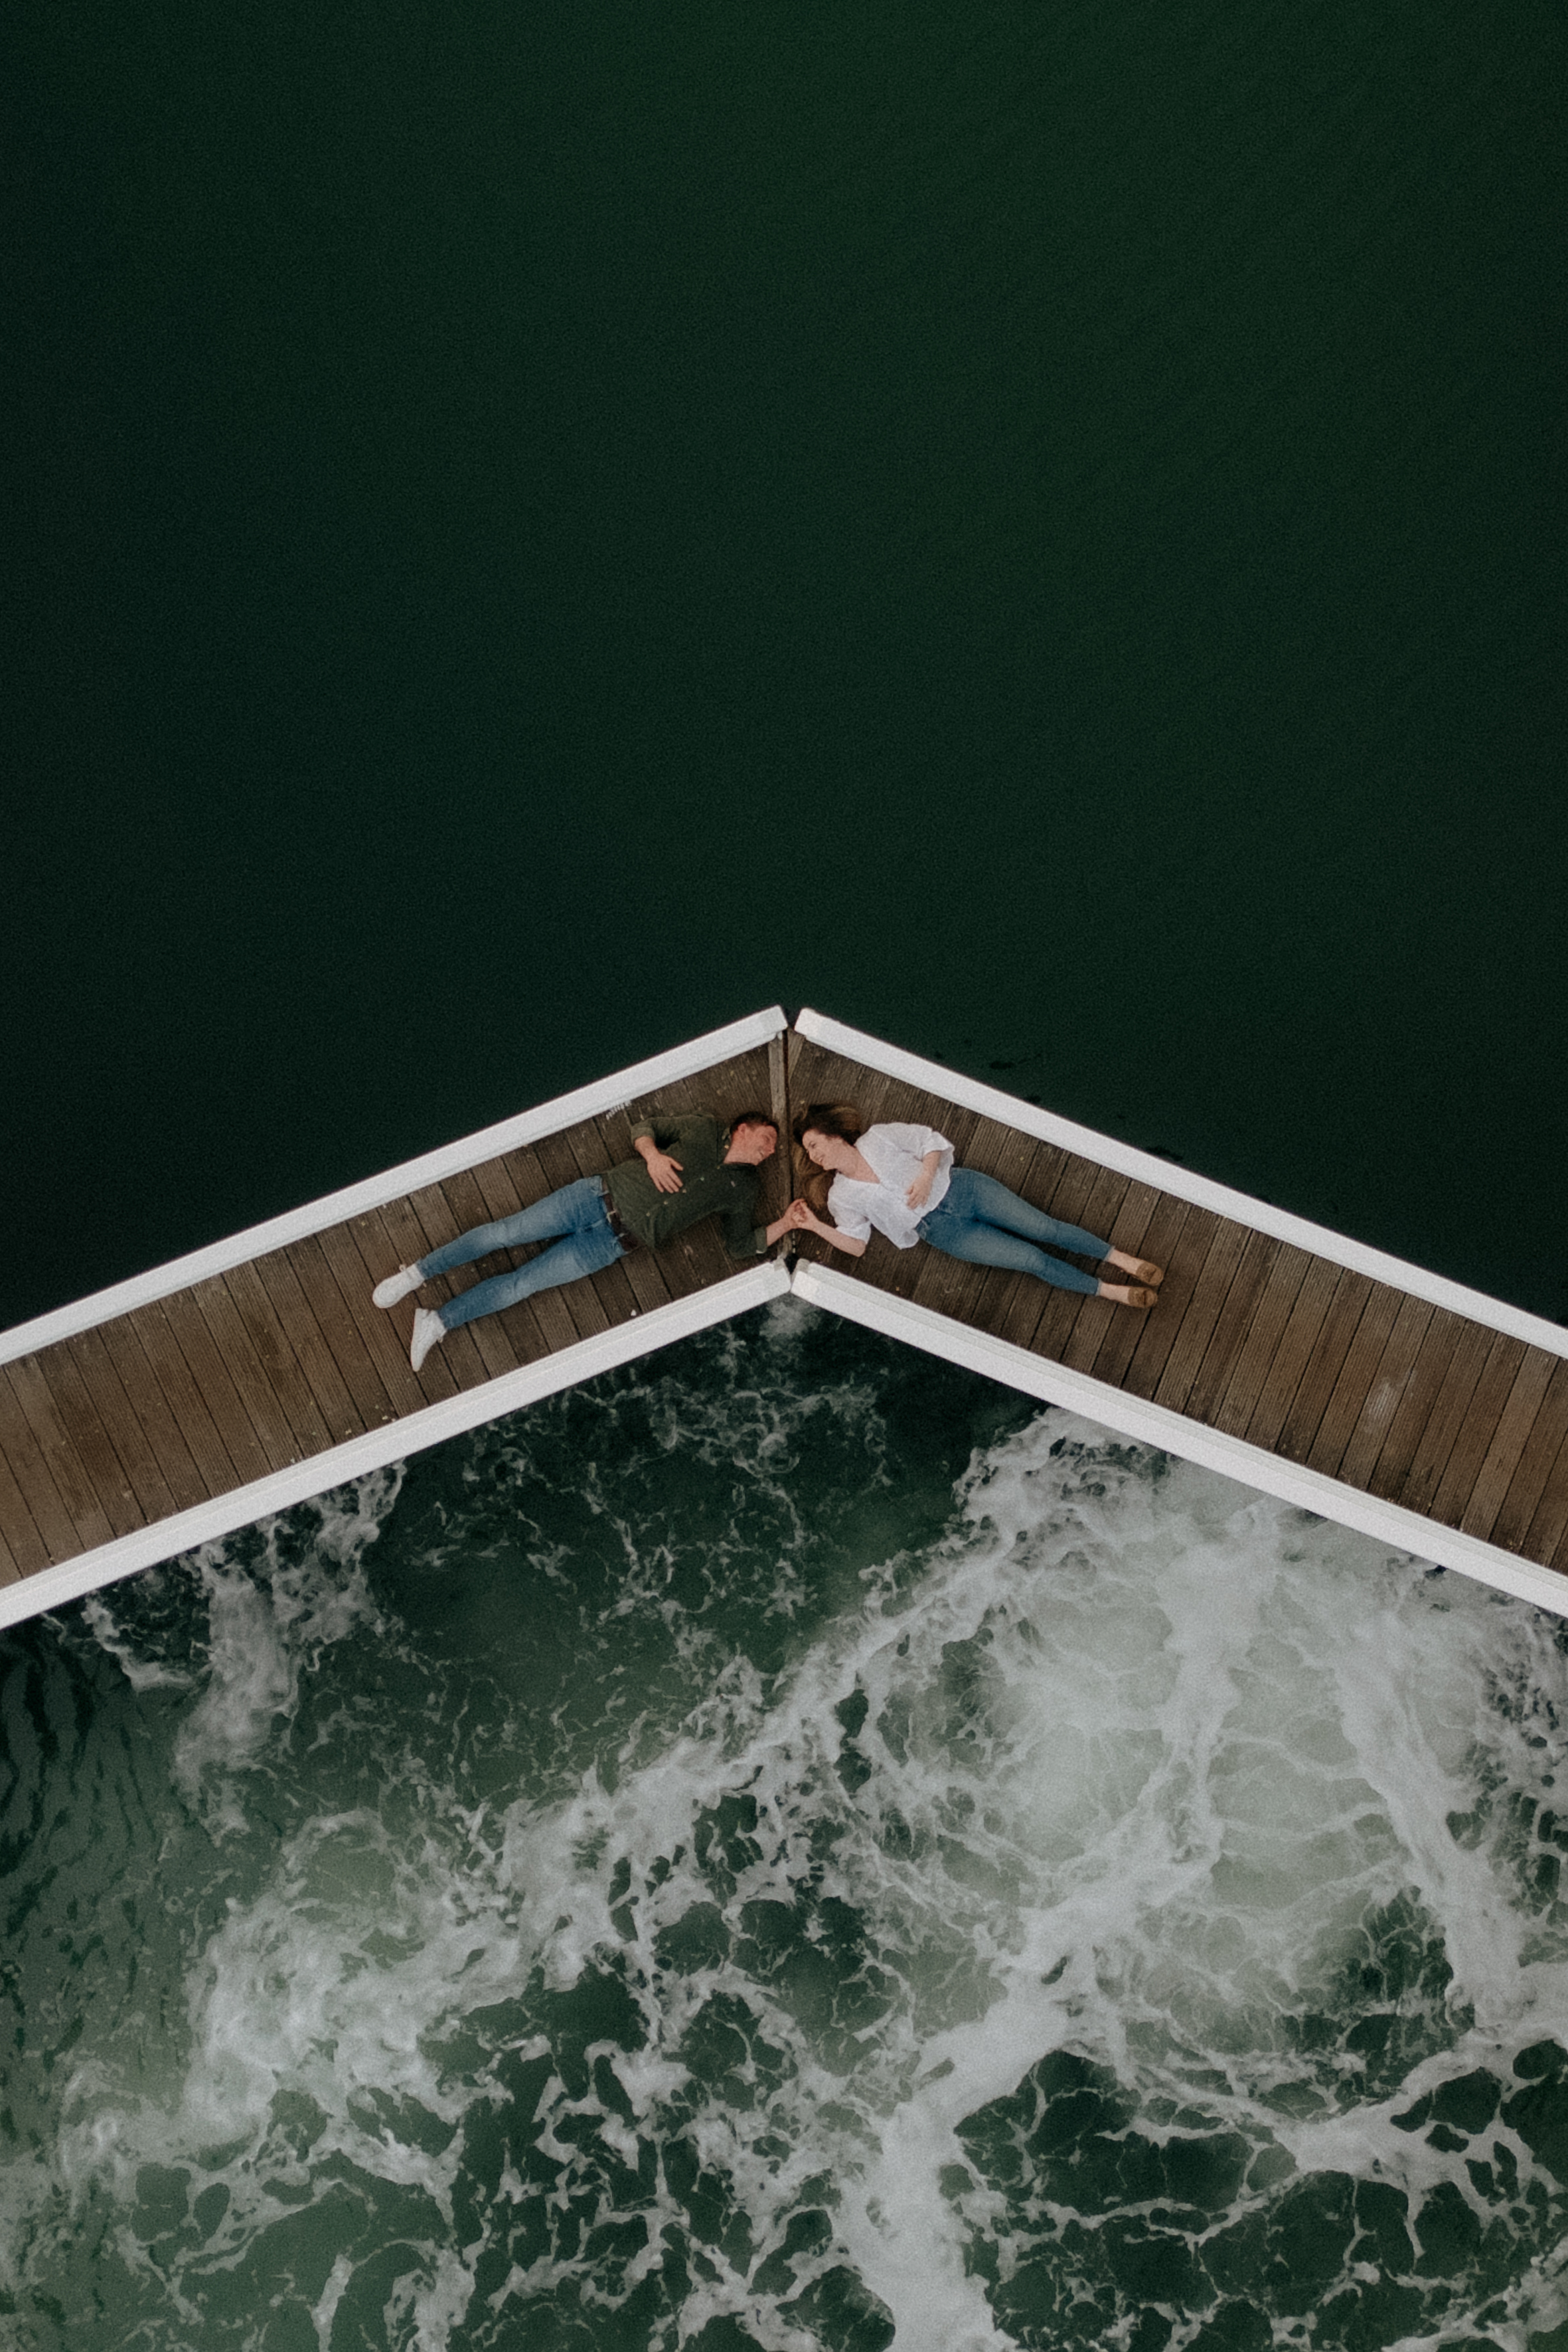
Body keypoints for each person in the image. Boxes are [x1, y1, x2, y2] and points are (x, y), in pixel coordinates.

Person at [372, 1111, 789, 1370]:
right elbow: (643, 1127)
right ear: (742, 1129)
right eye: (766, 1141)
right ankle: (415, 1274)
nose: (768, 1152)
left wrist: (787, 1224)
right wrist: (653, 1155)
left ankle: (436, 1321)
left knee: (523, 1285)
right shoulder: (703, 1129)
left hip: (611, 1246)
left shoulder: (744, 1190)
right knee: (506, 1233)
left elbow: (740, 1244)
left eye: (772, 1151)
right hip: (590, 1200)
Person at [785, 1104, 1163, 1306]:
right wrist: (815, 1227)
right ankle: (1108, 1291)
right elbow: (857, 1245)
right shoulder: (840, 1197)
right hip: (944, 1233)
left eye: (815, 1145)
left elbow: (930, 1141)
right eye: (809, 1152)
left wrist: (926, 1176)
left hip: (964, 1189)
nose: (814, 1155)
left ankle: (1123, 1260)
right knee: (1031, 1260)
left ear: (835, 1136)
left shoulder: (877, 1138)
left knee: (1045, 1229)